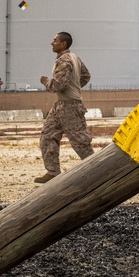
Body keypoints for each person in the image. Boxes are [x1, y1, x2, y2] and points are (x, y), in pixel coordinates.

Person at [35, 32, 94, 184]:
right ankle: (52, 172)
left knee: (80, 142)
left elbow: (59, 85)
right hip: (61, 105)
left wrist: (46, 82)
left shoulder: (64, 61)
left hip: (70, 107)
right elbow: (86, 76)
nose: (51, 43)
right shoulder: (75, 58)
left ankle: (96, 170)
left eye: (55, 40)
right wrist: (75, 86)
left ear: (63, 44)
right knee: (47, 135)